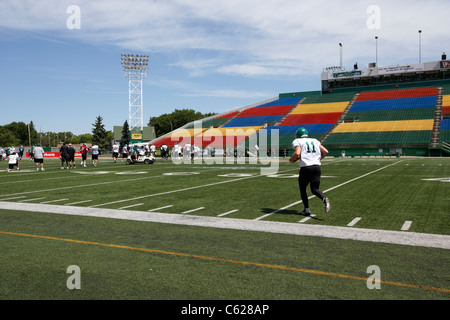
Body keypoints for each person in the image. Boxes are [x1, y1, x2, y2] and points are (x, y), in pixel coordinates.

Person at [289, 127, 330, 216]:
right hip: (316, 167)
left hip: (306, 167)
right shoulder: (315, 140)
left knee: (303, 189)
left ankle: (307, 210)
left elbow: (297, 153)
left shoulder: (297, 141)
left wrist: (291, 160)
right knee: (315, 189)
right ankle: (323, 198)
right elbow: (325, 151)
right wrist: (318, 159)